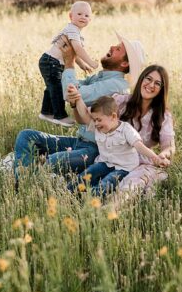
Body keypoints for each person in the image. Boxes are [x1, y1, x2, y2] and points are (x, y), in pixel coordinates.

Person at [10, 32, 146, 190]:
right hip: (78, 142)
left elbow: (70, 92)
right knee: (26, 136)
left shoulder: (116, 85)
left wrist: (70, 62)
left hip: (94, 150)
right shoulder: (100, 78)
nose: (112, 47)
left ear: (123, 64)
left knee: (52, 161)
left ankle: (29, 184)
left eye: (118, 49)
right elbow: (67, 87)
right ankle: (24, 184)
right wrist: (60, 60)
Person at [67, 64, 176, 201]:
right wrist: (76, 100)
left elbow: (169, 146)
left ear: (161, 89)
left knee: (121, 188)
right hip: (110, 158)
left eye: (157, 83)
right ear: (141, 79)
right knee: (86, 180)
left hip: (138, 163)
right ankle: (69, 195)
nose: (151, 85)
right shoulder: (120, 101)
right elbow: (87, 118)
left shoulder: (163, 115)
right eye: (148, 79)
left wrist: (161, 155)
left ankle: (104, 207)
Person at [68, 96, 166, 196]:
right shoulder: (98, 127)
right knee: (87, 173)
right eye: (94, 120)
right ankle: (68, 192)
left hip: (123, 168)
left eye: (99, 120)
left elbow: (139, 146)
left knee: (106, 183)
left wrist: (155, 157)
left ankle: (92, 198)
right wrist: (77, 98)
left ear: (113, 117)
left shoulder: (126, 130)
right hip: (105, 163)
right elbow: (84, 115)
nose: (96, 123)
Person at [37, 1, 100, 126]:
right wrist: (91, 62)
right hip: (51, 62)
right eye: (79, 14)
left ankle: (46, 112)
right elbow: (77, 49)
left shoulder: (75, 32)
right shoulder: (72, 29)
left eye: (86, 15)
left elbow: (72, 53)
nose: (83, 17)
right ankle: (59, 116)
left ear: (90, 20)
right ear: (70, 16)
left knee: (51, 87)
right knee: (57, 88)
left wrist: (82, 65)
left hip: (51, 62)